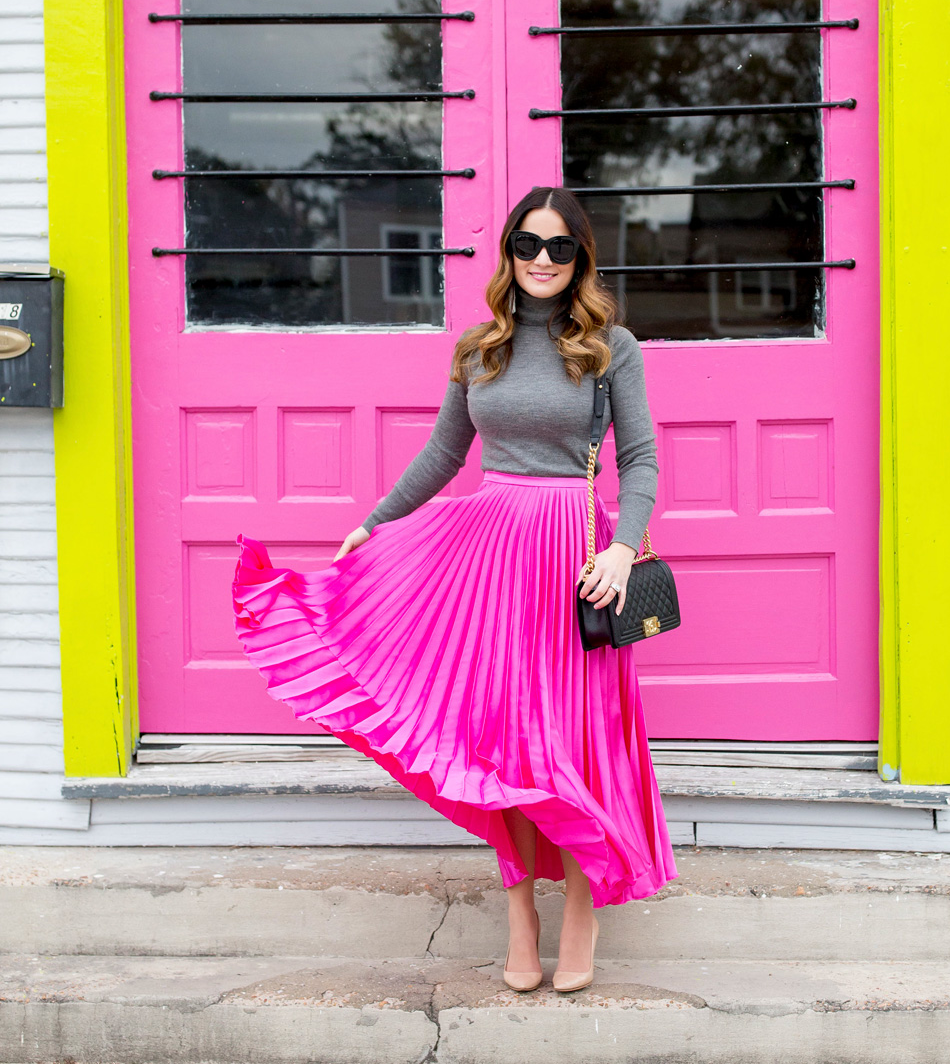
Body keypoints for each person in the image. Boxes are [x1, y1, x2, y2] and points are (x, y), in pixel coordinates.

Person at [233, 186, 676, 993]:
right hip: (491, 557)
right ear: (508, 252)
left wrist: (619, 549)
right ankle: (521, 916)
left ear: (582, 259)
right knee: (497, 738)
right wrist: (375, 522)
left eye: (560, 248)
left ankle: (581, 909)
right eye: (527, 244)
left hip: (575, 559)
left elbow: (640, 460)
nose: (542, 260)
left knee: (575, 740)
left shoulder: (612, 347)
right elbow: (442, 455)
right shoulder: (482, 347)